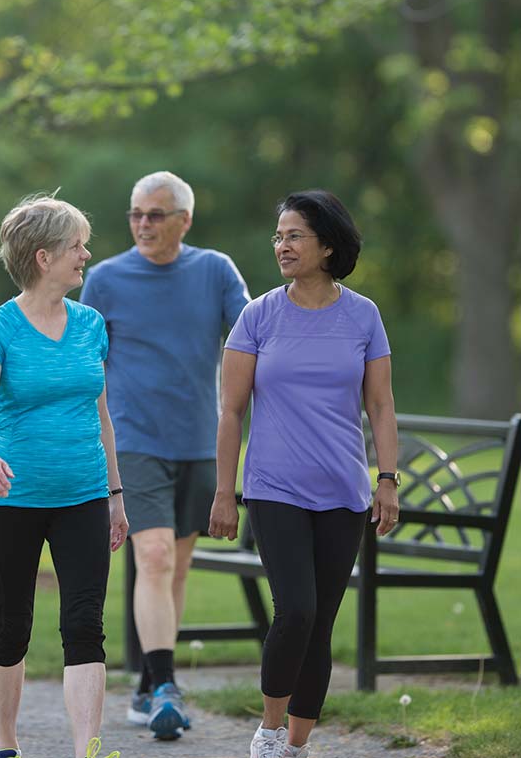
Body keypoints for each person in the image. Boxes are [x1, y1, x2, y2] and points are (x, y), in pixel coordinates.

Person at [209, 190, 399, 758]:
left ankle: (295, 745)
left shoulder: (363, 315)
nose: (282, 245)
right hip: (275, 488)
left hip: (343, 491)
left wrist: (386, 478)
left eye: (294, 235)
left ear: (328, 246)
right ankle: (268, 732)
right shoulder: (258, 315)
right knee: (297, 609)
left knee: (321, 623)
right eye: (279, 236)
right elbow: (231, 411)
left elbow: (382, 406)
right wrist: (226, 491)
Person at [79, 170, 249, 740]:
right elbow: (86, 364)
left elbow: (251, 337)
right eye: (135, 214)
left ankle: (149, 682)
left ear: (185, 220)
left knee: (172, 568)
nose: (143, 224)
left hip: (199, 442)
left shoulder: (215, 270)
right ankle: (167, 687)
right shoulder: (103, 279)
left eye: (155, 214)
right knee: (151, 558)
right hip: (134, 441)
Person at [0, 196, 128, 758]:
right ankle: (6, 744)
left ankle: (87, 747)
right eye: (76, 245)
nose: (86, 254)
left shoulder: (91, 325)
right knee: (12, 624)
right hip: (12, 499)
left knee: (85, 623)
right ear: (43, 256)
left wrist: (115, 494)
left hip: (83, 495)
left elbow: (102, 415)